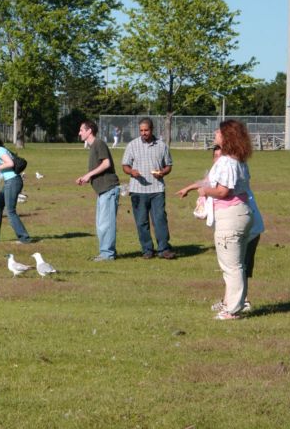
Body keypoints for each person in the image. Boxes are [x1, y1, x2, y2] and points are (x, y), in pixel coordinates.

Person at [177, 144, 264, 311]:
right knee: (232, 266)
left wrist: (204, 193)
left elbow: (221, 192)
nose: (218, 159)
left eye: (220, 156)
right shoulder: (221, 171)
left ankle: (239, 303)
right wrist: (189, 189)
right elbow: (205, 183)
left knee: (236, 267)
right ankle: (229, 302)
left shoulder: (229, 170)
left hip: (247, 227)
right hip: (241, 223)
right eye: (215, 156)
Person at [197, 119, 254, 320]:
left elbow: (223, 191)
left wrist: (204, 190)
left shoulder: (227, 161)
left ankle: (233, 309)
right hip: (241, 214)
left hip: (230, 216)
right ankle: (234, 303)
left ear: (227, 136)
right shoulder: (239, 160)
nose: (215, 133)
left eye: (219, 132)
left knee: (232, 266)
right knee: (237, 265)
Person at [121, 118, 175, 259]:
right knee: (141, 222)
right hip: (138, 190)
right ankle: (147, 250)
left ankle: (164, 249)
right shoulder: (132, 145)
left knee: (160, 220)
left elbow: (169, 165)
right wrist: (132, 172)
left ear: (152, 130)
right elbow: (125, 165)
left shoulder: (162, 146)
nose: (144, 133)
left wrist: (163, 172)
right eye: (141, 130)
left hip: (157, 190)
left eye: (146, 130)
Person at [76, 121, 120, 261]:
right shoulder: (93, 147)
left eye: (81, 130)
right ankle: (106, 252)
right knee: (101, 224)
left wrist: (89, 175)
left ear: (89, 131)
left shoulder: (99, 143)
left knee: (106, 223)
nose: (79, 133)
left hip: (109, 189)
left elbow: (107, 163)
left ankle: (107, 254)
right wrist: (86, 177)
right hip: (102, 191)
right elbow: (99, 168)